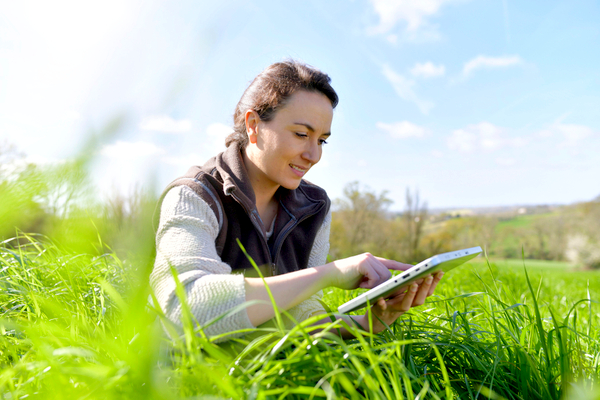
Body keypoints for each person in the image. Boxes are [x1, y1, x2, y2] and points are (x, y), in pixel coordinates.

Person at [151, 60, 443, 343]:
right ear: (253, 126)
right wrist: (329, 274)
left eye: (322, 140)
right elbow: (183, 308)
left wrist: (364, 323)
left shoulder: (315, 207)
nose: (313, 155)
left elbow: (299, 311)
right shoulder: (193, 196)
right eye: (302, 134)